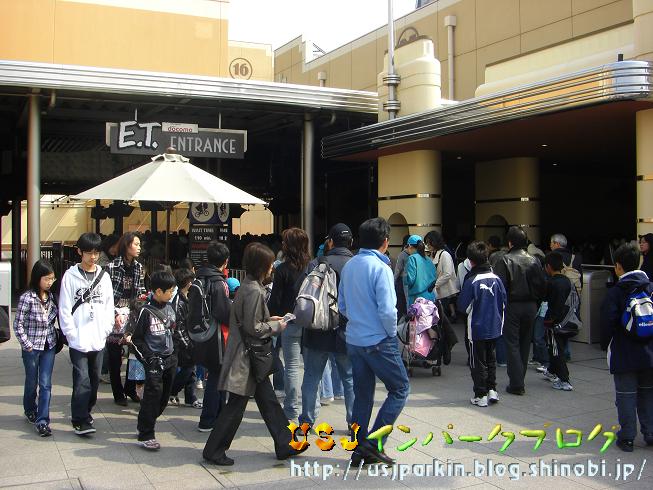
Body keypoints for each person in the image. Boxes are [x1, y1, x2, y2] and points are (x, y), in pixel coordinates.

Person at [202, 242, 306, 465]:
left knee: (268, 402)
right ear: (261, 265)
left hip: (249, 356)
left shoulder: (249, 285)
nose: (272, 268)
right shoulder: (254, 290)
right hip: (248, 357)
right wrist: (276, 326)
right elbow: (253, 328)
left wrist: (270, 319)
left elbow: (251, 321)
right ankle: (214, 450)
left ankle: (285, 443)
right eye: (269, 264)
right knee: (236, 406)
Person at [338, 217, 410, 466]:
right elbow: (388, 311)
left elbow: (342, 306)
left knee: (362, 395)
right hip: (378, 340)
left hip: (354, 339)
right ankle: (373, 443)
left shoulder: (350, 265)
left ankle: (359, 449)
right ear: (385, 242)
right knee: (400, 389)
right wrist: (390, 333)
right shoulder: (381, 268)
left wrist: (359, 320)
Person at [298, 223, 355, 434]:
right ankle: (353, 423)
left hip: (317, 329)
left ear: (330, 242)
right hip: (347, 330)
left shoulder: (316, 264)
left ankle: (306, 421)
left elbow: (303, 294)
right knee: (349, 379)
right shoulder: (356, 265)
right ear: (351, 242)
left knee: (312, 377)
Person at [58, 232, 114, 435]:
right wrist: (71, 334)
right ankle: (80, 419)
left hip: (98, 337)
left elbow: (109, 305)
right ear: (79, 252)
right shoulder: (70, 276)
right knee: (81, 378)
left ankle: (86, 411)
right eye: (89, 252)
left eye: (96, 253)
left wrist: (106, 329)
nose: (93, 257)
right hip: (78, 338)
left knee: (94, 379)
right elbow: (64, 308)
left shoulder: (104, 277)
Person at [600, 243, 653, 452]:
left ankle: (628, 437)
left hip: (624, 353)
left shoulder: (616, 292)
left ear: (618, 266)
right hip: (650, 353)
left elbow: (607, 323)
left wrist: (605, 345)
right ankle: (650, 433)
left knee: (626, 395)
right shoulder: (650, 287)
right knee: (648, 394)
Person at [493, 226, 546, 395]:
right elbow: (541, 285)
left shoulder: (504, 260)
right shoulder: (534, 260)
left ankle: (516, 383)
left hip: (512, 305)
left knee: (512, 343)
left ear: (510, 242)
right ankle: (519, 379)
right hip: (530, 305)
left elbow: (500, 287)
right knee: (524, 342)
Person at [131, 270, 177, 450]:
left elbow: (175, 331)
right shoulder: (145, 311)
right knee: (152, 397)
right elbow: (137, 339)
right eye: (169, 291)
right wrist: (149, 359)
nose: (172, 293)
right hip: (154, 362)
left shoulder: (170, 308)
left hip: (170, 359)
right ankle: (146, 433)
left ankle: (144, 422)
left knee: (164, 398)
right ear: (158, 291)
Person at [268, 227, 311, 422]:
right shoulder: (312, 267)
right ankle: (310, 409)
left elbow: (275, 300)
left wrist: (269, 317)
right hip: (311, 322)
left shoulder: (282, 270)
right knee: (311, 369)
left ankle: (291, 409)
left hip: (290, 321)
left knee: (292, 367)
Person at [457, 241, 506, 407]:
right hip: (495, 326)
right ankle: (492, 390)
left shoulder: (471, 280)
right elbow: (504, 302)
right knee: (491, 359)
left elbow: (463, 306)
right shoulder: (497, 279)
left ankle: (480, 394)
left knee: (477, 361)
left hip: (476, 328)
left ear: (470, 261)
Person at [189, 241, 232, 432]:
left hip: (201, 333)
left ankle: (217, 416)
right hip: (217, 336)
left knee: (214, 375)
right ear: (225, 261)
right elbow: (223, 312)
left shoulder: (199, 278)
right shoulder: (218, 282)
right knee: (217, 376)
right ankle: (208, 419)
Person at [13, 260, 59, 436]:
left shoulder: (52, 297)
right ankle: (30, 408)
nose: (50, 282)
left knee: (45, 383)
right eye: (47, 279)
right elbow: (18, 325)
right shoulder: (27, 298)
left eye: (52, 279)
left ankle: (43, 421)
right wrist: (27, 345)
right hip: (32, 347)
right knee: (32, 382)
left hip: (49, 345)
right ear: (37, 278)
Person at [106, 232, 146, 406]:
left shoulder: (139, 267)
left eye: (139, 244)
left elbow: (141, 292)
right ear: (126, 245)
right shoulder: (111, 266)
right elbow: (106, 295)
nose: (139, 248)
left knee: (135, 354)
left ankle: (130, 387)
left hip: (133, 313)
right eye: (136, 244)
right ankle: (118, 393)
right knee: (115, 357)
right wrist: (114, 314)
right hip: (114, 314)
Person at [541, 252, 575, 391]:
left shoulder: (552, 283)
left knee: (556, 350)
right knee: (557, 347)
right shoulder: (567, 281)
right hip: (568, 321)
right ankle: (551, 370)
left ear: (548, 266)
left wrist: (550, 320)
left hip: (556, 323)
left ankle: (564, 379)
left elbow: (551, 302)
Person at [169, 268, 201, 408]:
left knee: (191, 368)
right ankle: (172, 390)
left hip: (189, 339)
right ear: (188, 282)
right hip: (181, 342)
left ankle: (190, 397)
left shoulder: (188, 298)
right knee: (189, 368)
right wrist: (187, 343)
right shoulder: (178, 302)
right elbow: (178, 326)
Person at [425, 230, 459, 322]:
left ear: (434, 242)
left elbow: (448, 273)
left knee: (442, 318)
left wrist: (435, 284)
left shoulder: (445, 254)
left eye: (429, 242)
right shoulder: (433, 254)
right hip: (438, 291)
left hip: (444, 291)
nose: (427, 245)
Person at [403, 234, 437, 308]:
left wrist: (404, 278)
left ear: (410, 246)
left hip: (417, 300)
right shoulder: (428, 259)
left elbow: (410, 279)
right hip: (430, 297)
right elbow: (435, 276)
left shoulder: (412, 258)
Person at [393, 235, 410, 317]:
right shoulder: (417, 254)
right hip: (412, 281)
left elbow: (397, 270)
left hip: (402, 281)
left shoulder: (402, 254)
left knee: (401, 304)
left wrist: (393, 283)